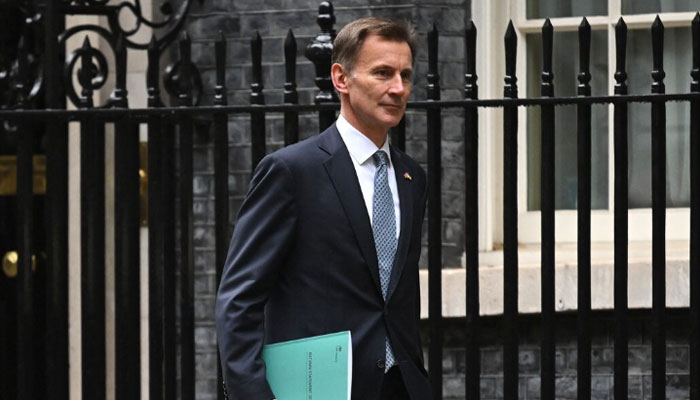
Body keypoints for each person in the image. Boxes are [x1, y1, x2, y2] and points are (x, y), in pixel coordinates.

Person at [216, 16, 431, 400]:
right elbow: (239, 299)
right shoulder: (292, 171)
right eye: (383, 73)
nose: (398, 88)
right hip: (322, 388)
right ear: (341, 78)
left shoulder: (412, 177)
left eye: (405, 75)